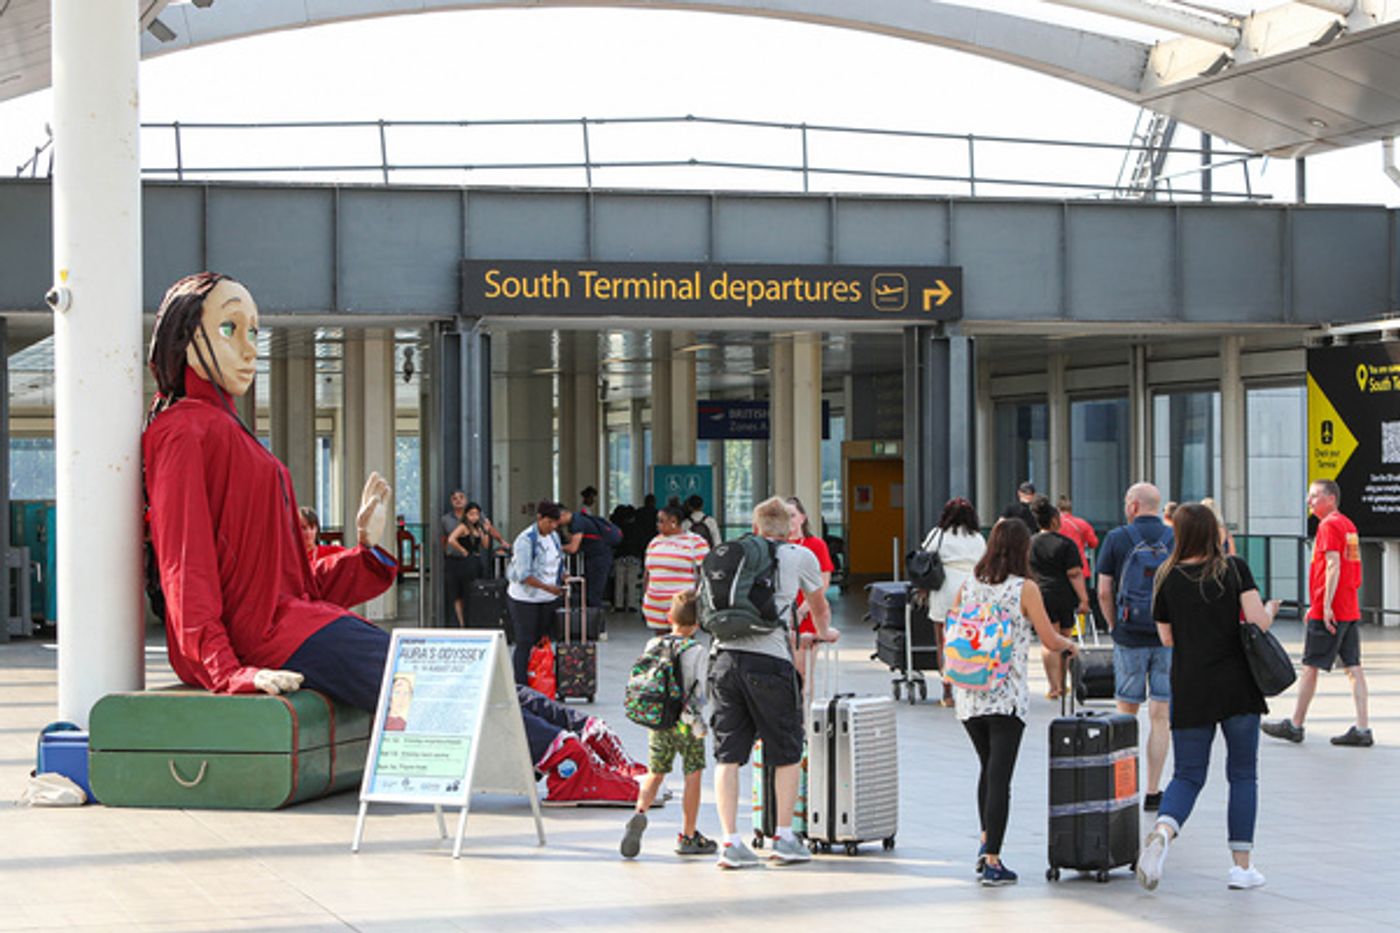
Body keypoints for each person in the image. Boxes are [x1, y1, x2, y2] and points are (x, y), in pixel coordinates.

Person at [142, 272, 399, 712]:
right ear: (184, 337)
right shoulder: (184, 431)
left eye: (254, 332)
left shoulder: (228, 432)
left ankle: (561, 744)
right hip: (269, 639)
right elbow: (185, 565)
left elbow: (287, 583)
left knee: (455, 680)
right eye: (230, 328)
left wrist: (364, 551)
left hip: (291, 628)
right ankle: (561, 757)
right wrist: (226, 669)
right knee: (441, 686)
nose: (249, 349)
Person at [1135, 502, 1279, 892]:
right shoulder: (1233, 568)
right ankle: (1241, 868)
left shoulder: (1166, 576)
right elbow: (1256, 621)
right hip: (1237, 686)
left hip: (1191, 685)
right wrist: (1269, 608)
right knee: (1243, 774)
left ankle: (1164, 830)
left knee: (1187, 775)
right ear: (1213, 532)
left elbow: (1166, 638)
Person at [709, 497, 840, 870]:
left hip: (723, 659)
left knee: (728, 754)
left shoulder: (732, 555)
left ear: (755, 528)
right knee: (785, 748)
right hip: (770, 661)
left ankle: (730, 842)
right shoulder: (800, 556)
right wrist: (825, 631)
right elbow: (820, 606)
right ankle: (784, 837)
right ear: (791, 528)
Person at [949, 519, 1078, 886]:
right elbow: (1051, 640)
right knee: (1000, 777)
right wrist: (1071, 645)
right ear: (1024, 550)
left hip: (970, 693)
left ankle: (985, 842)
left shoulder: (969, 584)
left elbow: (956, 625)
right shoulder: (1025, 589)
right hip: (1006, 696)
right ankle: (993, 861)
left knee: (987, 770)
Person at [1262, 479, 1373, 747]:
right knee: (1353, 667)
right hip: (1348, 607)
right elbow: (1349, 568)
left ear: (1331, 499)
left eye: (1314, 496)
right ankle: (1362, 728)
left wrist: (1323, 607)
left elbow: (1333, 565)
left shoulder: (1329, 525)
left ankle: (1296, 724)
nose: (1309, 501)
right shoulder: (1348, 525)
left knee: (1310, 666)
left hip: (1332, 609)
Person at [1096, 482, 1174, 811]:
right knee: (1161, 716)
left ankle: (1122, 787)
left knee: (1125, 712)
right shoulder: (1176, 538)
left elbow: (1103, 590)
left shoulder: (1117, 538)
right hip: (1168, 637)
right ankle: (1154, 791)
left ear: (1132, 506)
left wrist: (1114, 625)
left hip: (1129, 635)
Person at [620, 589, 715, 858]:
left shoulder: (653, 645)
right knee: (693, 773)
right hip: (687, 722)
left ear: (669, 616)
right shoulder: (697, 650)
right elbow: (702, 690)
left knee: (656, 770)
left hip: (659, 719)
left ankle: (639, 812)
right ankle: (688, 834)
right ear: (698, 624)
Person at [922, 497, 987, 706]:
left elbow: (925, 555)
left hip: (944, 587)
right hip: (971, 588)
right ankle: (970, 685)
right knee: (970, 640)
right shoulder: (977, 538)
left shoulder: (938, 534)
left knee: (943, 640)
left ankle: (947, 691)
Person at [1029, 496, 1090, 700]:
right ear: (1055, 520)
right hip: (1064, 595)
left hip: (1040, 595)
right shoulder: (1067, 544)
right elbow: (1074, 573)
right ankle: (1065, 684)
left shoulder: (1030, 543)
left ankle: (1053, 686)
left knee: (1048, 642)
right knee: (1065, 640)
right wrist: (1084, 599)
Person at [505, 501, 569, 685]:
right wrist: (549, 587)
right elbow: (524, 575)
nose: (553, 526)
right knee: (524, 641)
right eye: (550, 522)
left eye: (556, 523)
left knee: (543, 641)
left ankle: (541, 680)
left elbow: (557, 562)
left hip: (548, 598)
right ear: (539, 518)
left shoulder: (554, 537)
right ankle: (521, 685)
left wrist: (562, 576)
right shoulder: (526, 540)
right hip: (525, 598)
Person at [785, 495, 833, 685]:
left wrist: (803, 609)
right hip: (782, 613)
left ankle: (805, 712)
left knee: (803, 671)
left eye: (793, 515)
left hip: (808, 614)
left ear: (803, 518)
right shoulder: (776, 545)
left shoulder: (816, 545)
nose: (790, 521)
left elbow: (823, 582)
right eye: (785, 516)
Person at [642, 505, 710, 633]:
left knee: (683, 641)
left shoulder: (695, 542)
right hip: (656, 605)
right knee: (661, 644)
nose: (657, 524)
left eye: (661, 521)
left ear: (673, 521)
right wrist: (646, 595)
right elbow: (648, 572)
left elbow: (705, 572)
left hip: (682, 606)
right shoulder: (654, 542)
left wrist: (697, 598)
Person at [441, 490, 473, 627]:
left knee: (470, 592)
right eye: (454, 498)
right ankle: (461, 624)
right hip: (453, 560)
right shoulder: (446, 519)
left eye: (461, 498)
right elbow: (443, 539)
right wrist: (447, 551)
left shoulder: (472, 516)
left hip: (469, 561)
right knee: (455, 593)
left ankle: (471, 622)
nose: (458, 500)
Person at [1055, 495, 1099, 579]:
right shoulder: (1082, 523)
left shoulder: (1054, 525)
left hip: (1058, 568)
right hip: (1079, 567)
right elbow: (1093, 543)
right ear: (1070, 510)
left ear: (1057, 509)